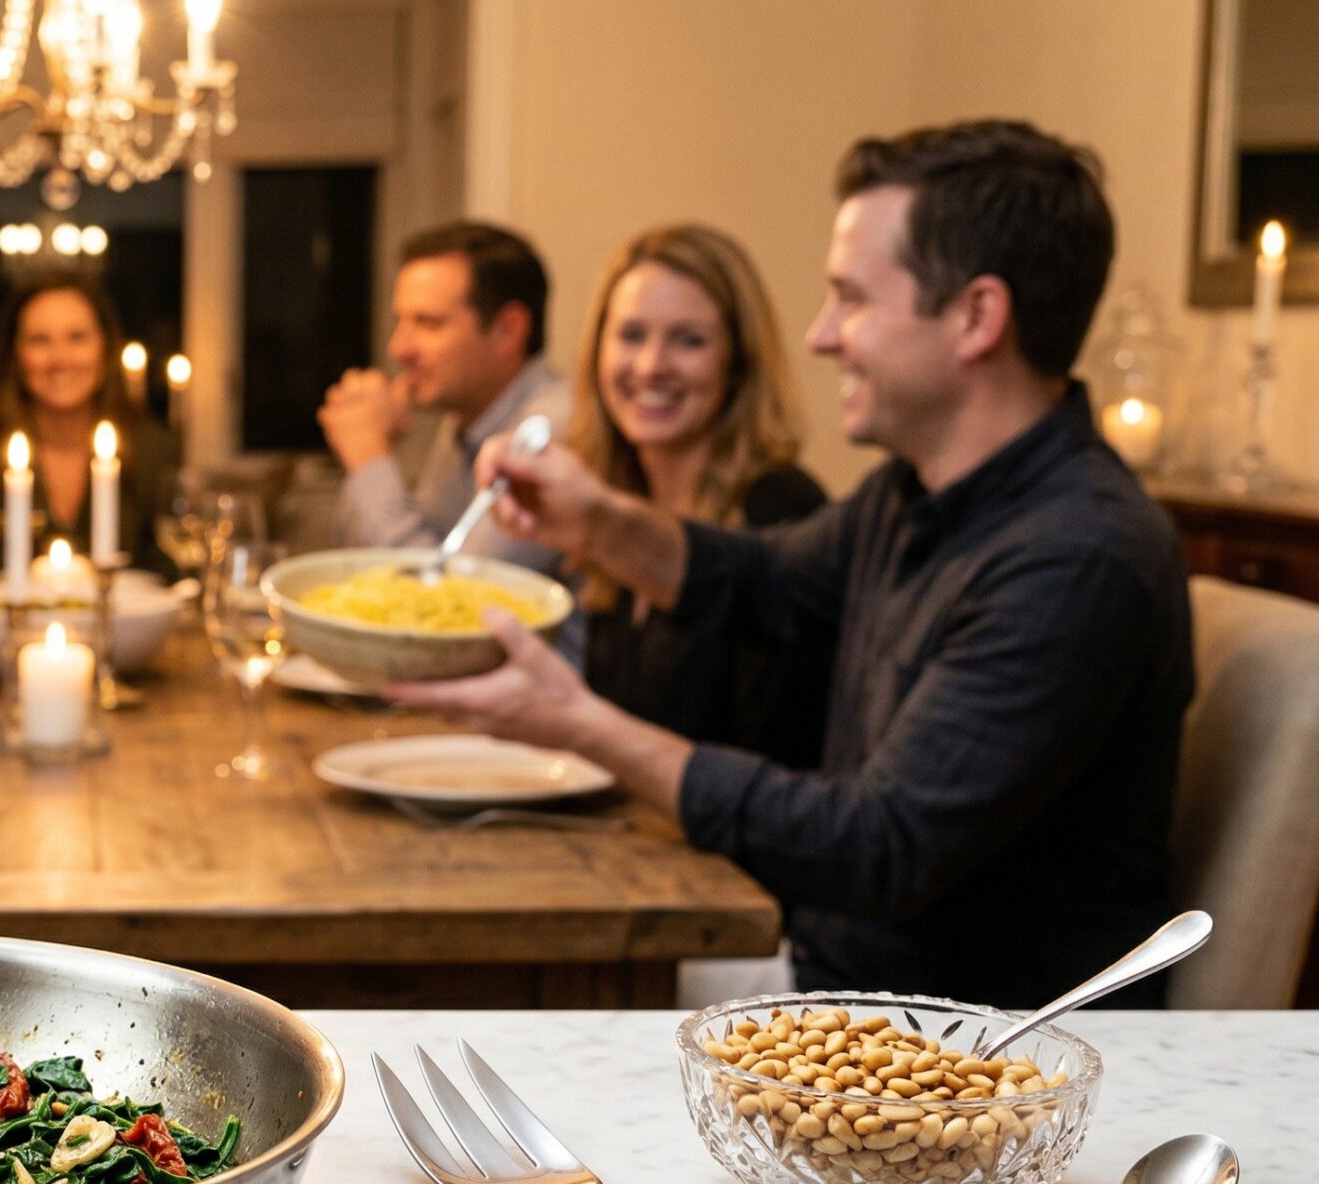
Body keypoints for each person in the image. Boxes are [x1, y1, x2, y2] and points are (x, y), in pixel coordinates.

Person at [390, 120, 1192, 1009]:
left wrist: (577, 722)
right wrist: (596, 517)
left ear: (976, 317)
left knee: (472, 1001)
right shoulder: (910, 494)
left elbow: (877, 846)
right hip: (840, 989)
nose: (820, 335)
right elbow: (761, 581)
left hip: (964, 1053)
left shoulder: (1076, 557)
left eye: (851, 299)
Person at [565, 224, 828, 763]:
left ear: (738, 364)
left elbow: (782, 760)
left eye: (689, 340)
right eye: (632, 335)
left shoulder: (780, 509)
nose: (651, 366)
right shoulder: (614, 500)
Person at [320, 221, 570, 559]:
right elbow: (365, 573)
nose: (399, 349)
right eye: (401, 322)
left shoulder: (549, 431)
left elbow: (454, 597)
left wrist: (367, 455)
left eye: (428, 323)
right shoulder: (465, 421)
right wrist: (368, 459)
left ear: (508, 331)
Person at [0, 271, 183, 580]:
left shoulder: (154, 448)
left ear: (105, 348)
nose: (60, 358)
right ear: (16, 356)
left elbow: (174, 577)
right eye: (39, 340)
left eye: (77, 337)